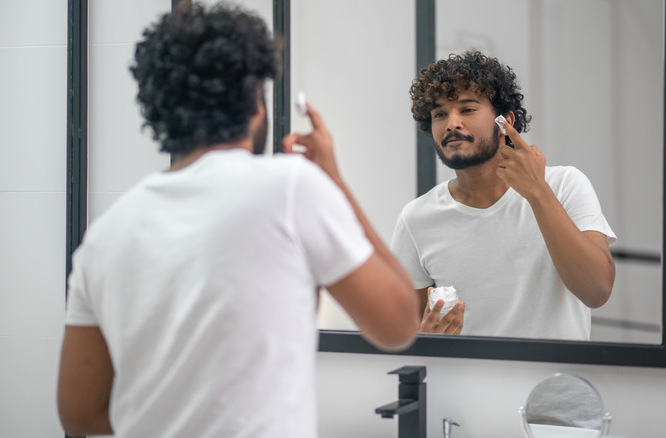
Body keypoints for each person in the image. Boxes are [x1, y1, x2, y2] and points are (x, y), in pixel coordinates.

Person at [56, 4, 418, 437]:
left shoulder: (106, 234)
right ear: (254, 103)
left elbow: (79, 414)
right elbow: (398, 324)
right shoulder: (290, 189)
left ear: (158, 109)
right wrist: (334, 180)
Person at [391, 50, 616, 340]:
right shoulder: (416, 219)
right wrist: (426, 338)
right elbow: (408, 331)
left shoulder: (565, 185)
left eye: (467, 109)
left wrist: (537, 193)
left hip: (551, 383)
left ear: (505, 121)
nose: (451, 123)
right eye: (439, 114)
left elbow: (597, 291)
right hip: (466, 383)